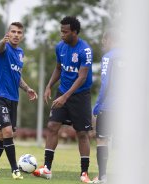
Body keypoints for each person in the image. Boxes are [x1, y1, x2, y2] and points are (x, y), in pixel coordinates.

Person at [33, 16, 93, 183]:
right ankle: (47, 168)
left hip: (80, 96)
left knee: (82, 133)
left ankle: (84, 173)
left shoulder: (85, 50)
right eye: (61, 31)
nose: (62, 34)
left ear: (74, 32)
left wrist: (65, 97)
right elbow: (59, 68)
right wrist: (48, 86)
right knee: (52, 126)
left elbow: (82, 77)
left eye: (65, 32)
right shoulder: (60, 47)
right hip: (63, 92)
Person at [0, 22, 38, 180]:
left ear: (22, 36)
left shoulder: (20, 53)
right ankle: (15, 170)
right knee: (8, 131)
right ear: (8, 33)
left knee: (2, 135)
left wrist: (27, 88)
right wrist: (2, 41)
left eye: (19, 32)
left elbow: (17, 75)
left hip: (13, 98)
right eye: (13, 31)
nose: (16, 34)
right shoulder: (3, 48)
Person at [92, 28, 120, 184]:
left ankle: (103, 177)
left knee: (102, 140)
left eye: (104, 40)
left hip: (109, 107)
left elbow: (105, 84)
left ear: (110, 39)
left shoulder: (108, 58)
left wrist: (97, 106)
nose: (103, 44)